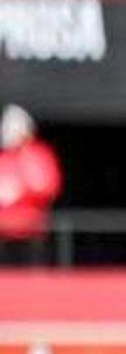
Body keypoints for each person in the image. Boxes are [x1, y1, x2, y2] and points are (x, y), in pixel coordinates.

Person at [0, 105, 62, 266]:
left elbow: (49, 186)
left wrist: (21, 192)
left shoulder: (39, 156)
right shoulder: (3, 159)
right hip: (3, 232)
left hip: (32, 231)